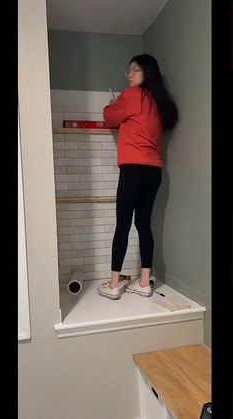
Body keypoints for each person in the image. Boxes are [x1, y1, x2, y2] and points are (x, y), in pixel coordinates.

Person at [98, 53, 178, 300]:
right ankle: (144, 283)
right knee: (144, 225)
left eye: (134, 70)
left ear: (147, 72)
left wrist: (110, 105)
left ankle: (113, 286)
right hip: (154, 172)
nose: (129, 74)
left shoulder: (132, 95)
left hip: (132, 169)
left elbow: (109, 117)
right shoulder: (159, 104)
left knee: (123, 224)